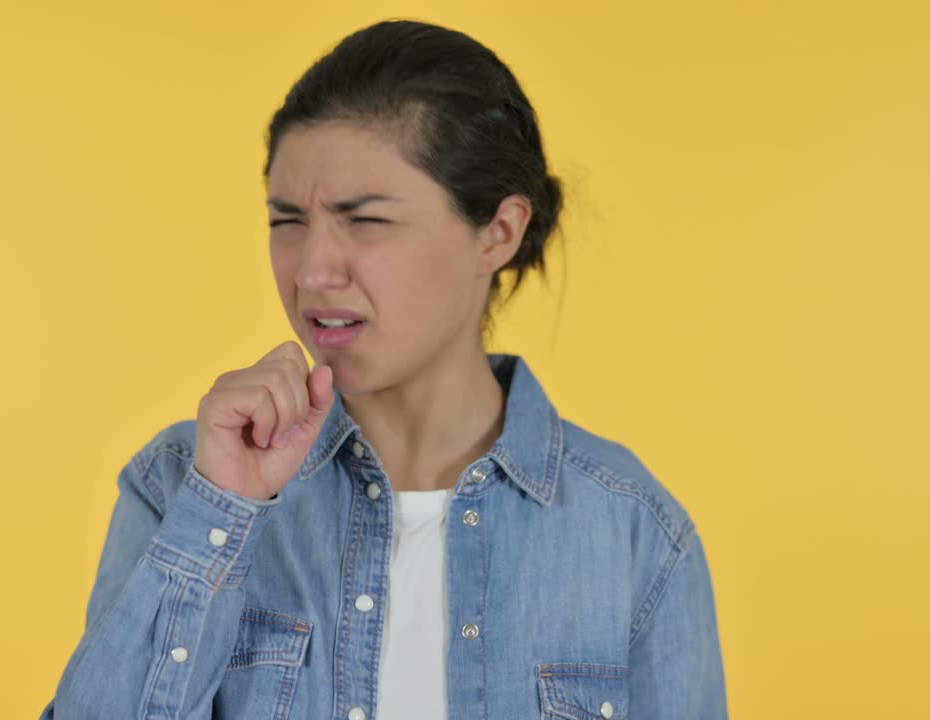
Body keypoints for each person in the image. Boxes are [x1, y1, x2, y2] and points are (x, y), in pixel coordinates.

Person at [39, 18, 727, 720]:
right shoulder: (185, 486)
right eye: (287, 221)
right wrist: (223, 511)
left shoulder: (635, 535)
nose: (312, 269)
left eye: (364, 220)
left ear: (498, 231)